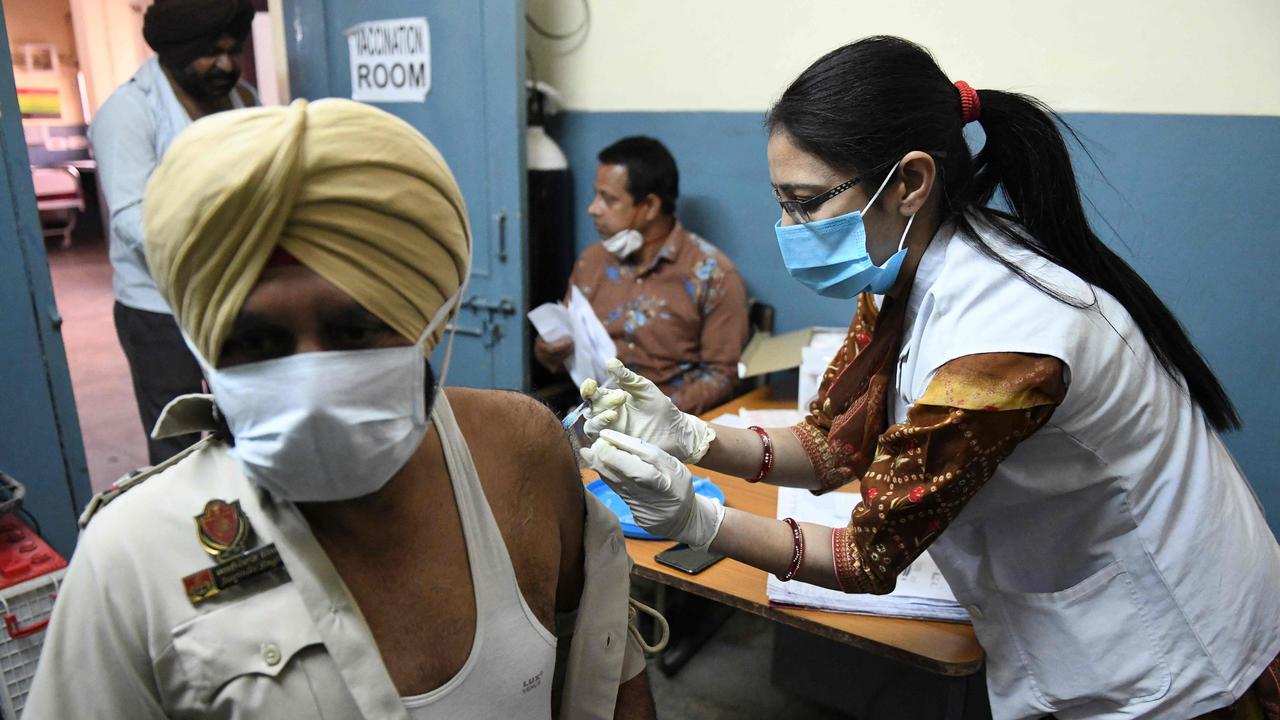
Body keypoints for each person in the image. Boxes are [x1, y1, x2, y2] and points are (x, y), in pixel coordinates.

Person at [578, 36, 1280, 719]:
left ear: (910, 182)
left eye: (805, 202)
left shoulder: (1003, 343)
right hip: (1073, 623)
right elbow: (834, 444)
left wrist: (697, 520)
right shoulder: (896, 275)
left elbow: (868, 554)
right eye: (782, 201)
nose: (785, 226)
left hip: (1178, 658)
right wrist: (692, 437)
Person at [27, 99, 656, 719]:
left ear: (429, 324)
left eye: (354, 332)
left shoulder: (520, 451)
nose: (309, 385)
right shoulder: (132, 557)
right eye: (256, 343)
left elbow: (605, 668)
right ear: (203, 346)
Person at [90, 0, 259, 464]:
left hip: (234, 296)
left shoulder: (243, 100)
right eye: (211, 52)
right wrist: (226, 248)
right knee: (179, 439)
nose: (226, 64)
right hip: (160, 311)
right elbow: (134, 223)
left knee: (251, 418)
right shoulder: (129, 113)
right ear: (175, 51)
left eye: (234, 50)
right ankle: (188, 530)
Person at [534, 136, 749, 416]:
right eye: (596, 195)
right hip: (594, 418)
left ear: (649, 206)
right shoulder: (592, 263)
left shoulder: (713, 275)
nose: (593, 208)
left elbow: (722, 376)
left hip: (671, 431)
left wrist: (656, 417)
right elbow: (564, 351)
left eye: (608, 199)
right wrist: (548, 352)